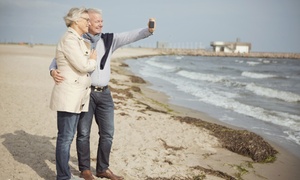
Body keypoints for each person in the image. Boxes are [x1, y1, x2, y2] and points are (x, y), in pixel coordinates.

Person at [49, 8, 156, 180]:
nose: (101, 23)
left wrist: (148, 31)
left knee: (108, 133)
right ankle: (85, 170)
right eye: (96, 21)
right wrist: (52, 70)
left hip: (105, 94)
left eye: (101, 21)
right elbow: (58, 58)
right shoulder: (77, 39)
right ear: (87, 22)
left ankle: (103, 169)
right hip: (86, 93)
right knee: (83, 133)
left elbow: (129, 36)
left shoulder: (108, 39)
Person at [49, 7, 97, 180]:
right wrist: (92, 60)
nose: (89, 23)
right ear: (76, 21)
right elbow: (83, 66)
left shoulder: (78, 39)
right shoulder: (69, 39)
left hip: (78, 96)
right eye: (86, 19)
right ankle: (63, 176)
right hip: (69, 96)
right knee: (65, 138)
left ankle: (64, 175)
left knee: (68, 136)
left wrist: (53, 69)